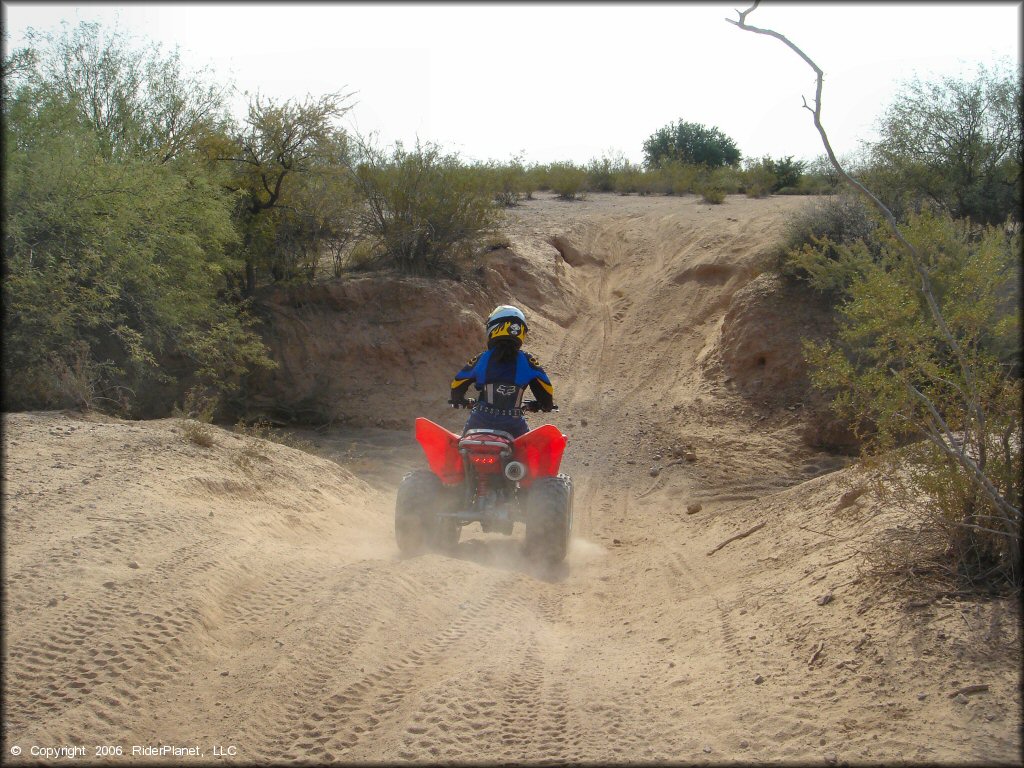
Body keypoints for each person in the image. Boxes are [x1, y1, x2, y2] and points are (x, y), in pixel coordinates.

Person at [448, 305, 554, 438]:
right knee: (528, 455)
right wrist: (545, 405)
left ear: (493, 327)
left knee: (462, 446)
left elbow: (457, 383)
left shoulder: (482, 358)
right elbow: (547, 390)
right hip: (513, 422)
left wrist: (458, 399)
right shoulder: (527, 360)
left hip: (480, 418)